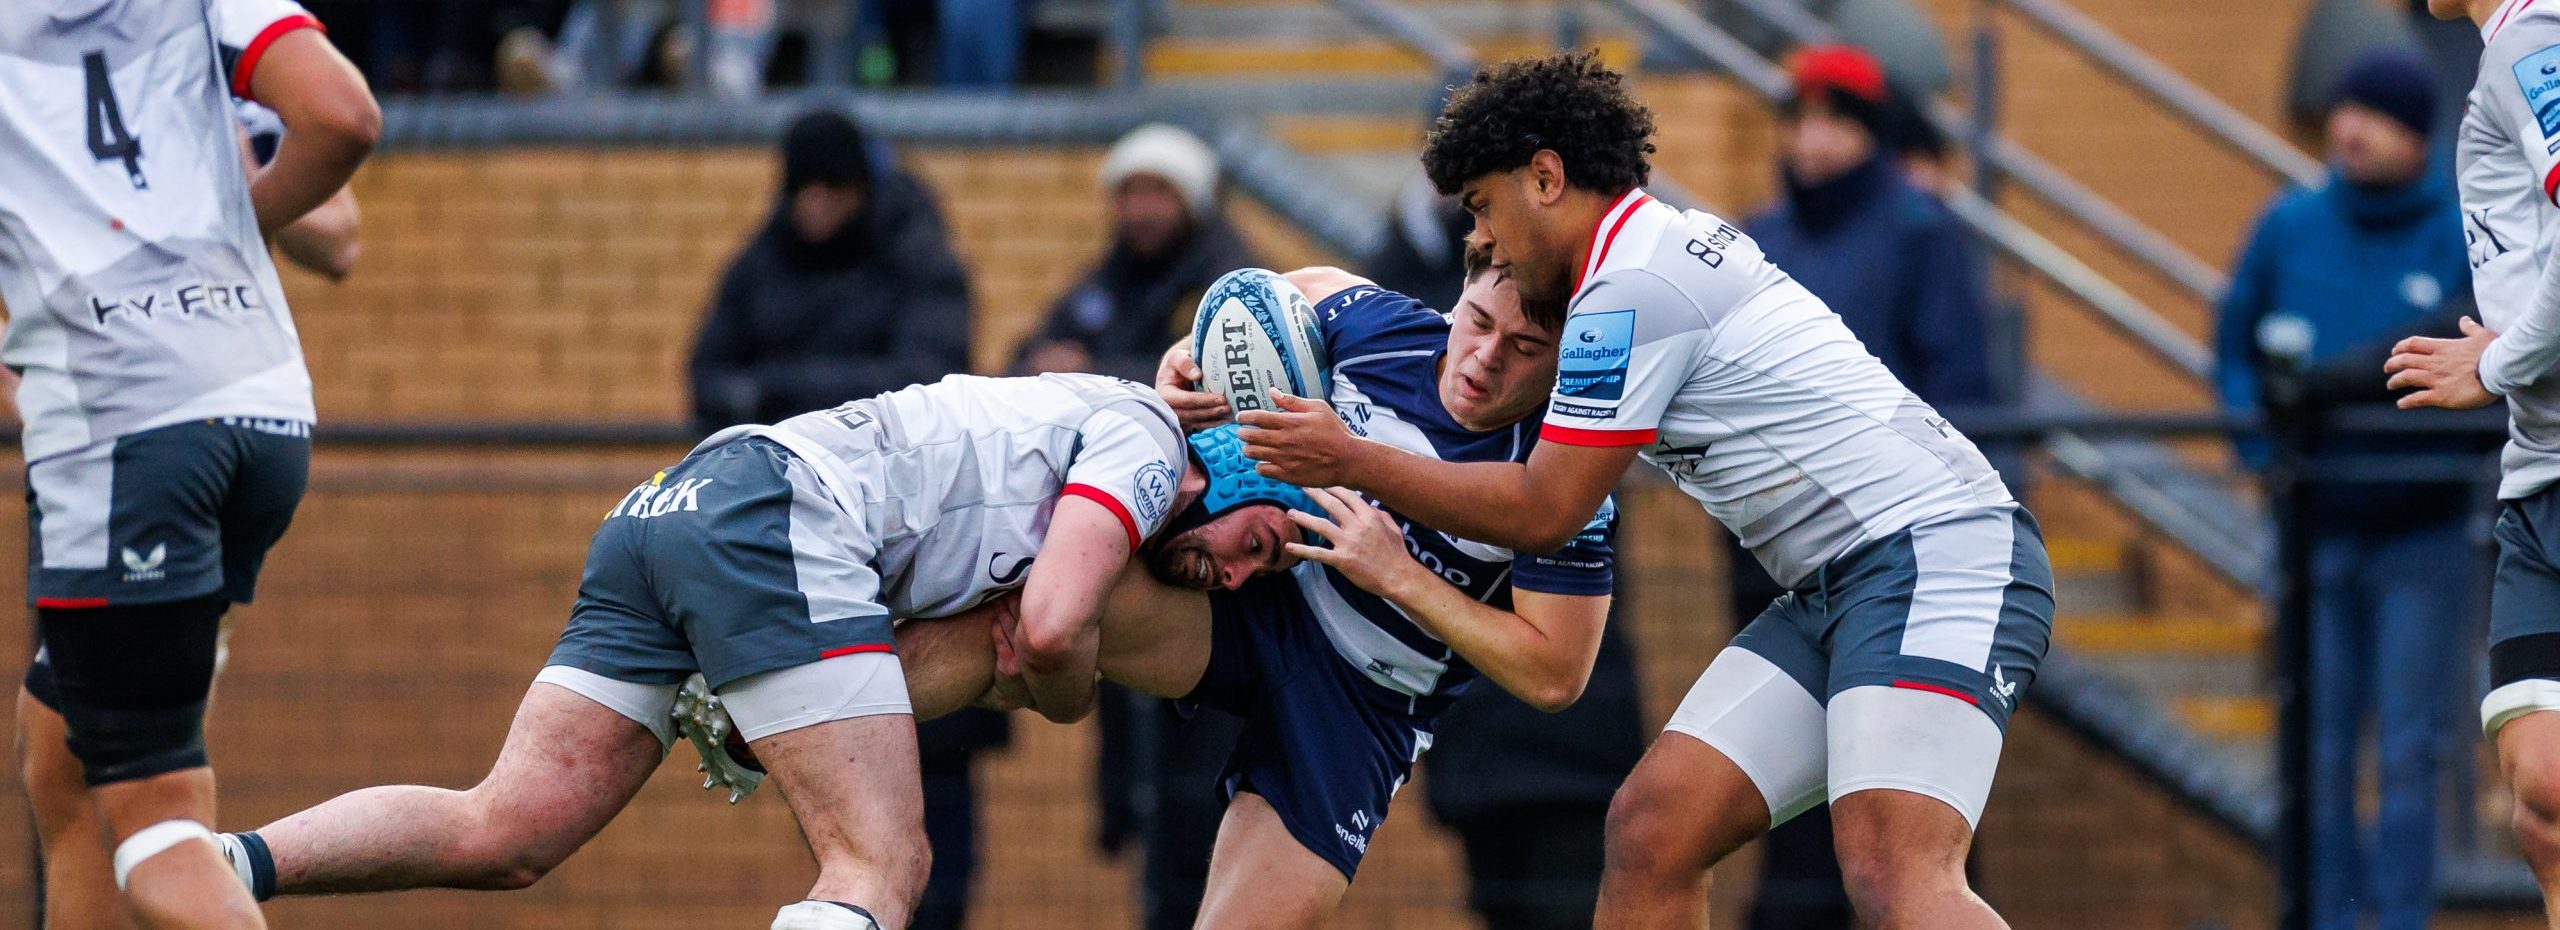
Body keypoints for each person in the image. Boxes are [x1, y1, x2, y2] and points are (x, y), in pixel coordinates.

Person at [1238, 52, 2053, 929]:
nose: (1482, 240)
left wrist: (1350, 459)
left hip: (1936, 551)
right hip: (1842, 583)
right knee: (1652, 830)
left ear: (1545, 177)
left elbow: (1546, 511)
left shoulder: (1628, 290)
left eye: (1482, 205)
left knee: (1895, 874)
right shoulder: (1638, 255)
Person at [212, 373, 1305, 930]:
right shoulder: (1154, 441)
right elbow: (1058, 626)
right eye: (1258, 544)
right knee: (882, 864)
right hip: (780, 516)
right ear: (1226, 479)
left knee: (503, 827)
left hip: (671, 502)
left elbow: (993, 626)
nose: (1243, 575)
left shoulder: (1100, 421)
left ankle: (221, 871)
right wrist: (1063, 696)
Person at [1093, 254, 1619, 928]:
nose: (1485, 359)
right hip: (1261, 599)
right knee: (1034, 609)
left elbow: (1554, 675)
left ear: (1560, 363)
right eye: (1480, 322)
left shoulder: (1562, 477)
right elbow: (1278, 294)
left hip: (1364, 705)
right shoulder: (1376, 327)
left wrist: (1401, 576)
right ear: (1461, 296)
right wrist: (1184, 360)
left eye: (1524, 348)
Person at [1, 2, 378, 927]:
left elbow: (339, 227)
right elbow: (341, 118)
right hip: (263, 406)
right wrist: (216, 242)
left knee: (158, 831)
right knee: (60, 751)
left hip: (126, 429)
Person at [1736, 45, 2004, 929]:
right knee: (1797, 819)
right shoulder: (1757, 240)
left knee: (1912, 817)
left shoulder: (1920, 233)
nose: (1812, 141)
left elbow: (1962, 387)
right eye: (1799, 118)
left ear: (1872, 133)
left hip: (1905, 559)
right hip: (1775, 555)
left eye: (1837, 121)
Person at [2220, 49, 2472, 930]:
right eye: (2345, 109)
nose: (2351, 128)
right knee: (2317, 751)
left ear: (2417, 138)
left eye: (2378, 116)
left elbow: (2490, 359)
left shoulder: (2457, 233)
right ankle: (2328, 918)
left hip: (2423, 529)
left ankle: (2397, 919)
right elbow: (2234, 347)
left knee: (2410, 750)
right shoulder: (2288, 225)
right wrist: (2261, 455)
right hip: (2312, 528)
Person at [2391, 0, 2560, 920]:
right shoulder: (2512, 47)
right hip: (2539, 477)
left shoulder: (2535, 39)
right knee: (2541, 795)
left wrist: (2495, 363)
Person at [690, 108, 972, 431]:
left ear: (860, 188)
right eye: (803, 187)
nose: (816, 201)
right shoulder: (762, 261)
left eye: (832, 185)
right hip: (775, 462)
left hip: (885, 465)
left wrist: (777, 390)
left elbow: (926, 380)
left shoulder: (916, 258)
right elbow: (709, 373)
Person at [1018, 123, 1259, 383]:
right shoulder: (1109, 274)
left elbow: (1210, 376)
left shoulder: (1229, 282)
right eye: (1129, 192)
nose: (1141, 210)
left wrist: (1090, 373)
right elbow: (1025, 358)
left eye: (1159, 191)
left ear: (1192, 201)